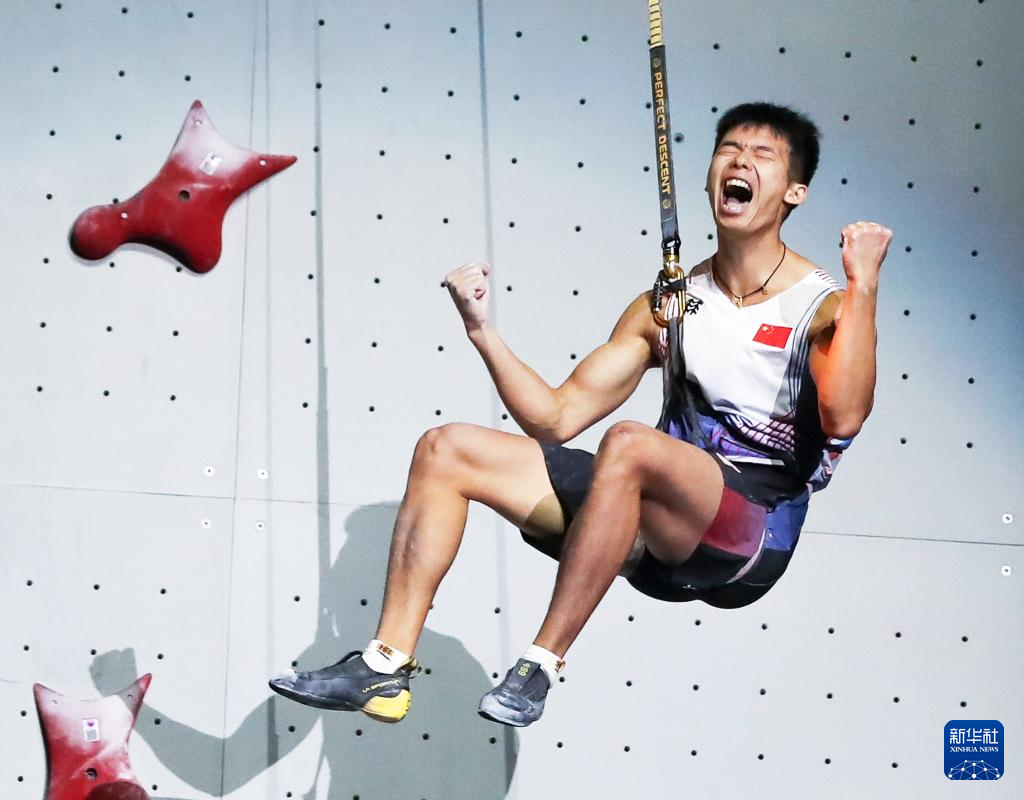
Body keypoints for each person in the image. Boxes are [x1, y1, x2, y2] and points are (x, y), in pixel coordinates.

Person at [269, 102, 891, 728]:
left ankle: (540, 664)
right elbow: (556, 418)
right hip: (643, 522)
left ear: (793, 192)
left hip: (747, 538)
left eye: (763, 155)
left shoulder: (822, 305)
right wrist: (482, 330)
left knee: (629, 443)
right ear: (706, 177)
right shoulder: (671, 303)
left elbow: (843, 417)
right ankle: (384, 666)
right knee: (445, 449)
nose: (739, 161)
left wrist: (863, 285)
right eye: (729, 148)